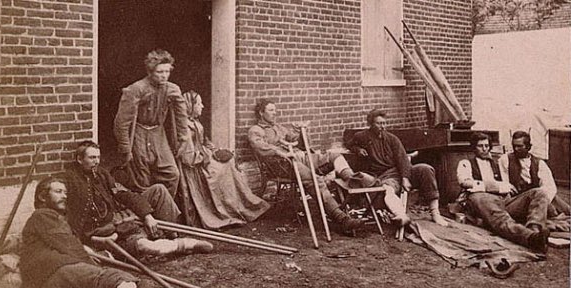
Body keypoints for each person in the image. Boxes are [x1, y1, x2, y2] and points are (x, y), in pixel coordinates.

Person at [19, 177, 196, 288]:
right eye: (58, 192)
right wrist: (100, 272)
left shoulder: (54, 220)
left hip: (56, 279)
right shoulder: (43, 215)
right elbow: (70, 247)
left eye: (65, 192)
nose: (64, 196)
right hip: (53, 273)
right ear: (42, 196)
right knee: (116, 280)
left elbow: (72, 245)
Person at [65, 141, 213, 257]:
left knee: (159, 190)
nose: (96, 161)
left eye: (98, 157)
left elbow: (123, 194)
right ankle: (182, 244)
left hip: (119, 217)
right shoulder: (71, 180)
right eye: (92, 158)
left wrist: (146, 214)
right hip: (106, 228)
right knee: (148, 247)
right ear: (79, 159)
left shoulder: (102, 174)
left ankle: (170, 234)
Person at [248, 99, 370, 233]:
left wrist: (301, 132)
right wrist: (281, 153)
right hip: (283, 166)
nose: (275, 113)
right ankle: (341, 219)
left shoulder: (278, 127)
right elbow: (259, 146)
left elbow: (299, 143)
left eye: (275, 110)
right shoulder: (256, 130)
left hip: (300, 158)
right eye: (271, 110)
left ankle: (352, 180)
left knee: (334, 156)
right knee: (316, 180)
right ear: (261, 113)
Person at [177, 90, 270, 229]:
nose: (202, 106)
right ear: (190, 106)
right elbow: (188, 155)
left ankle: (244, 206)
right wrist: (208, 156)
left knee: (229, 162)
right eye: (199, 103)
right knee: (221, 170)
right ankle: (227, 211)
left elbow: (205, 141)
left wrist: (216, 150)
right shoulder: (184, 126)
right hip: (195, 165)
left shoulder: (195, 122)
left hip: (204, 157)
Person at [345, 109, 448, 227]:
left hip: (399, 171)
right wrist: (357, 149)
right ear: (371, 124)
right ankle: (400, 215)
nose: (382, 127)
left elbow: (402, 158)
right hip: (383, 176)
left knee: (426, 169)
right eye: (379, 123)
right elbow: (349, 143)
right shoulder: (362, 136)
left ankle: (435, 212)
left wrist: (405, 177)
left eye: (384, 123)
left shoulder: (391, 139)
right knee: (388, 188)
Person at [456, 132, 550, 253]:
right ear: (474, 147)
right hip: (481, 200)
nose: (484, 149)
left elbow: (507, 183)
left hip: (502, 201)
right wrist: (495, 186)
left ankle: (535, 232)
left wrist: (506, 187)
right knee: (495, 212)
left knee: (539, 193)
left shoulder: (496, 163)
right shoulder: (466, 163)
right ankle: (528, 237)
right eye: (480, 146)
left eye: (486, 145)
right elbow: (465, 182)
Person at [113, 49, 189, 198]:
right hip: (139, 133)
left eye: (167, 71)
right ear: (150, 71)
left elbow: (181, 116)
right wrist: (125, 148)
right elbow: (121, 122)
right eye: (160, 72)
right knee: (142, 177)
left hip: (158, 134)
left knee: (172, 174)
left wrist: (183, 138)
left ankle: (163, 208)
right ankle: (147, 213)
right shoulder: (136, 89)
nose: (164, 76)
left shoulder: (172, 89)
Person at [499, 130, 569, 216]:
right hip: (517, 199)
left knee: (559, 203)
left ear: (529, 147)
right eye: (514, 146)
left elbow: (549, 187)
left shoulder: (539, 163)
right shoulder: (505, 159)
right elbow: (505, 182)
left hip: (537, 197)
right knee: (551, 210)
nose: (516, 149)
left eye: (520, 146)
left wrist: (542, 201)